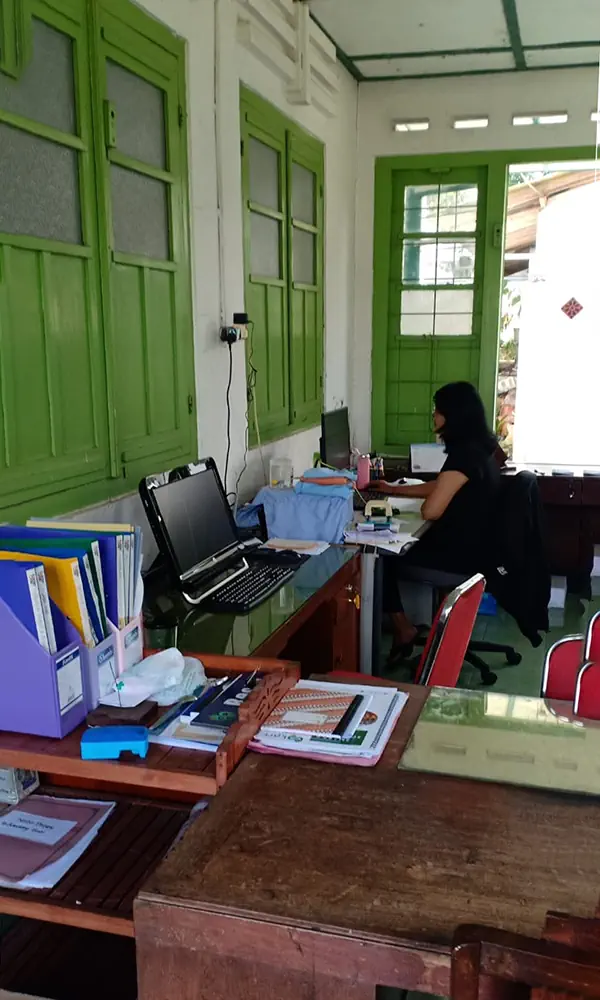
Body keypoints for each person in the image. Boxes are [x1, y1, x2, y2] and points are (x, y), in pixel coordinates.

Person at [372, 382, 501, 660]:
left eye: (437, 410)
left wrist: (419, 504)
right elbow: (443, 485)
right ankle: (424, 628)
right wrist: (394, 490)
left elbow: (430, 511)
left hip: (460, 559)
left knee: (379, 559)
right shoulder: (479, 448)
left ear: (453, 415)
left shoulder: (464, 455)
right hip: (477, 549)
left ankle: (403, 629)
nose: (433, 415)